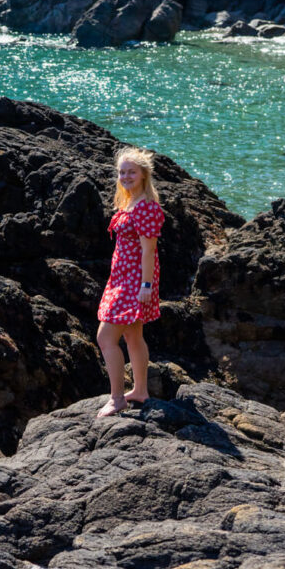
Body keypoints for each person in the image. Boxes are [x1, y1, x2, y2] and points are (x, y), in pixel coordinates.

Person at [96, 146, 165, 418]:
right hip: (121, 278)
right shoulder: (129, 202)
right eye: (122, 172)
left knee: (105, 338)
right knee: (133, 336)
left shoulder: (146, 207)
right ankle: (139, 391)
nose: (125, 176)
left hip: (135, 280)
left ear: (143, 174)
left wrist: (145, 287)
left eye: (131, 172)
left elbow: (149, 251)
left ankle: (116, 398)